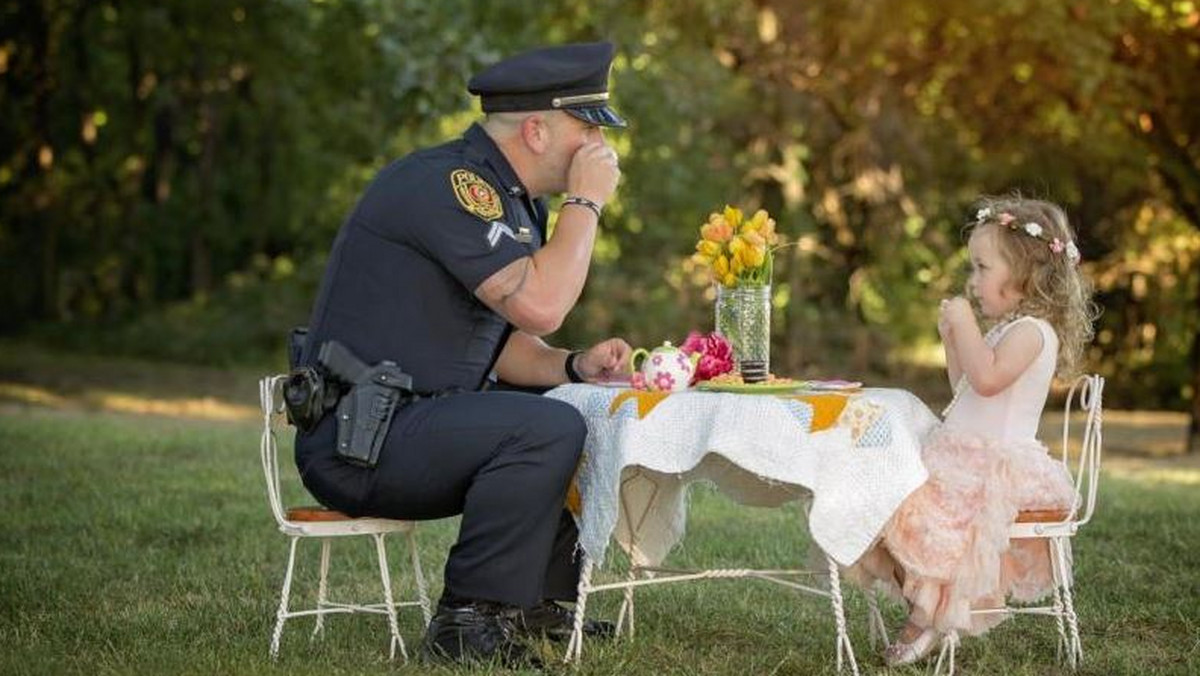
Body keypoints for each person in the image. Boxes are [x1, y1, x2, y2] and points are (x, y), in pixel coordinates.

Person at [292, 41, 632, 667]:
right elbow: (542, 305)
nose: (599, 150)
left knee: (563, 401)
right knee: (546, 427)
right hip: (360, 439)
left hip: (411, 420)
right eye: (587, 131)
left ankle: (535, 601)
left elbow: (499, 345)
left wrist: (573, 366)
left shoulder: (507, 195)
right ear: (536, 129)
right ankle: (467, 623)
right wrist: (585, 203)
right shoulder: (449, 186)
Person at [846, 196, 1097, 666]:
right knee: (895, 494)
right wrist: (952, 338)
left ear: (1024, 272)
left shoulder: (1033, 333)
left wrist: (965, 322)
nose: (973, 280)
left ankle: (925, 620)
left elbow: (987, 379)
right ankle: (923, 610)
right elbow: (967, 386)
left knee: (927, 508)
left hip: (994, 468)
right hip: (966, 457)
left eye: (983, 268)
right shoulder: (1008, 328)